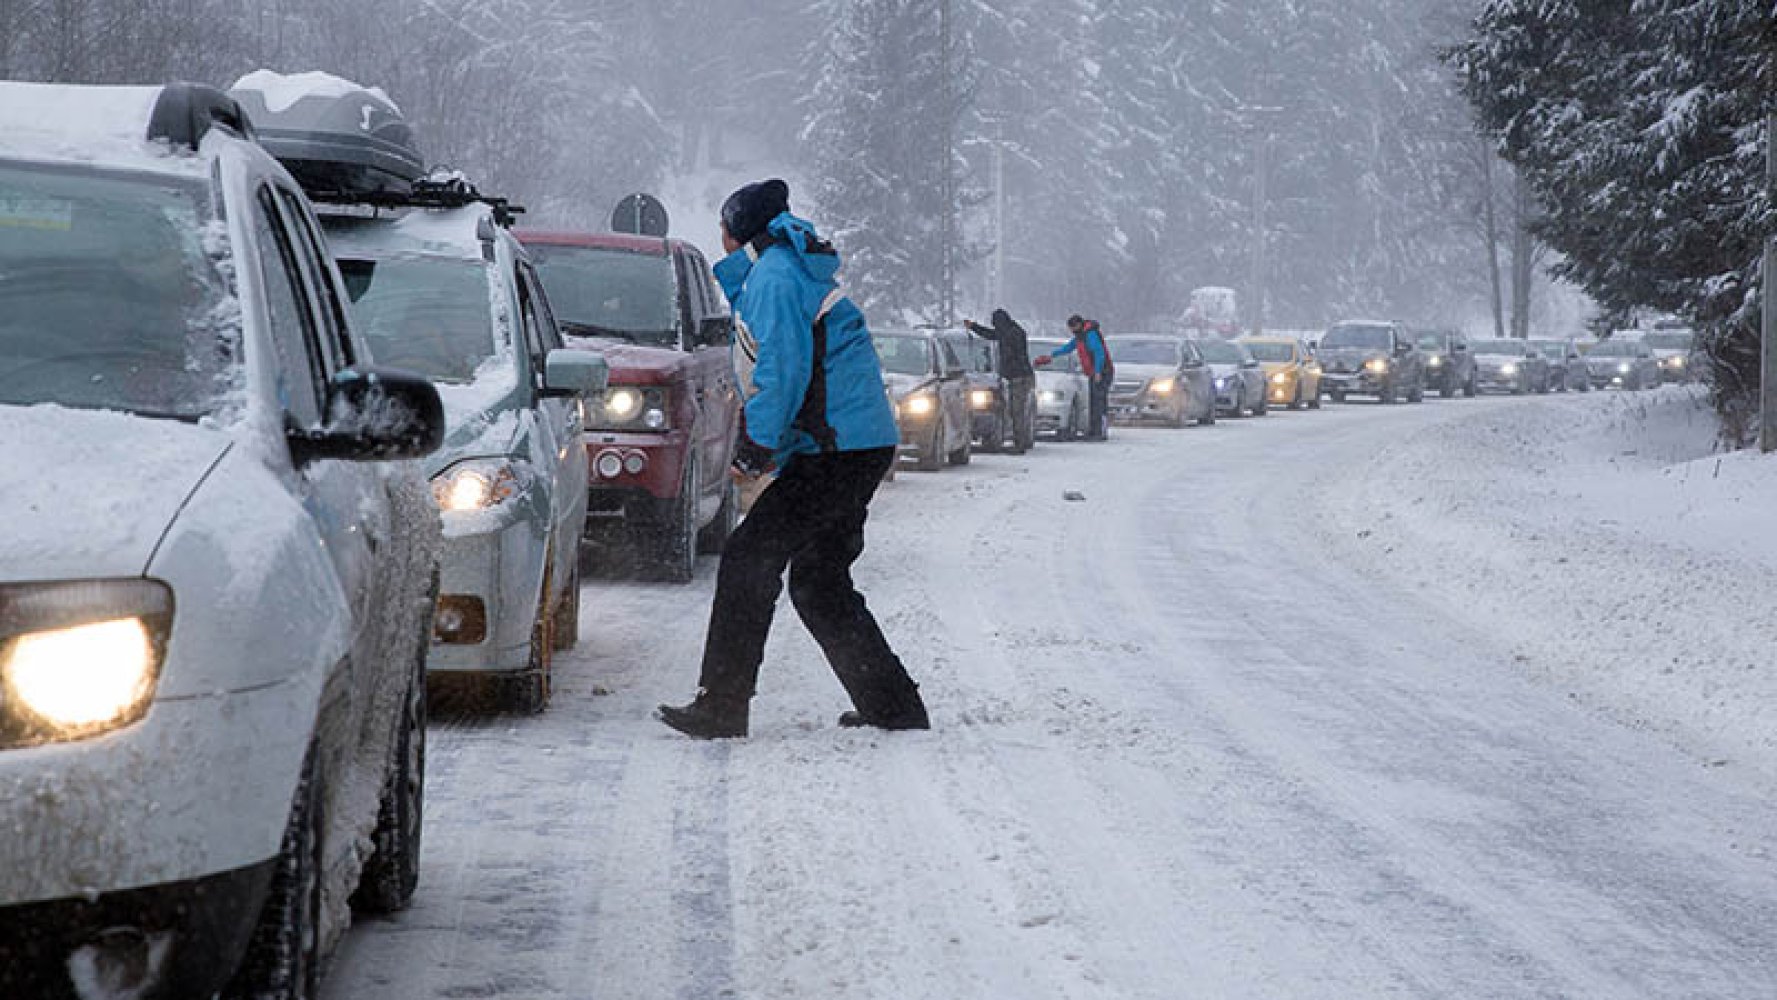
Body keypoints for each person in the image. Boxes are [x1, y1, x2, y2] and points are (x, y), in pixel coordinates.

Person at [657, 179, 929, 739]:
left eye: (725, 229)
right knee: (818, 580)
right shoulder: (784, 270)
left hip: (839, 450)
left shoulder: (775, 276)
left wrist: (756, 447)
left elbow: (783, 371)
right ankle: (894, 706)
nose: (722, 241)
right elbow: (792, 376)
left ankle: (722, 706)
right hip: (849, 444)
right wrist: (768, 445)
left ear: (740, 232)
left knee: (747, 559)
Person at [964, 308, 1036, 453]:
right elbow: (991, 334)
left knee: (1017, 411)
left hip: (1020, 377)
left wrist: (1007, 368)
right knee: (1015, 411)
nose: (996, 326)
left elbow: (998, 338)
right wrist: (974, 327)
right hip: (1017, 376)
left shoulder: (1014, 333)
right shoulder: (1010, 331)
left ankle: (1020, 444)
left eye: (996, 323)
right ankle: (1019, 440)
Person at [1034, 315, 1113, 440]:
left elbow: (1099, 353)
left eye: (1072, 328)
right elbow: (1067, 348)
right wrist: (1051, 356)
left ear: (1078, 325)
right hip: (1093, 373)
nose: (1071, 331)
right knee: (1093, 402)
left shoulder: (1090, 335)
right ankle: (1094, 430)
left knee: (1099, 402)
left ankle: (1099, 432)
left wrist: (1098, 371)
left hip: (1102, 371)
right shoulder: (1080, 337)